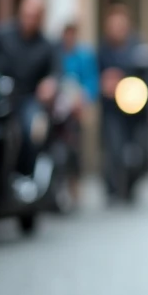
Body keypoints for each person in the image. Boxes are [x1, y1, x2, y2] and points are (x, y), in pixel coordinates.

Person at [0, 0, 60, 176]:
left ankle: (23, 175)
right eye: (27, 14)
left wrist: (50, 84)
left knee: (30, 130)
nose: (29, 19)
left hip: (28, 98)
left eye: (35, 16)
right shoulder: (1, 34)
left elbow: (55, 73)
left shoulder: (47, 46)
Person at [97, 5, 148, 202]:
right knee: (113, 147)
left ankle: (132, 184)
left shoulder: (138, 47)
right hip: (112, 108)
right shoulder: (103, 51)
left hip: (137, 109)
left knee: (142, 146)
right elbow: (95, 76)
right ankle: (113, 187)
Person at [58, 21, 99, 204]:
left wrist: (83, 98)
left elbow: (91, 81)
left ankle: (74, 183)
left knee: (75, 148)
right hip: (57, 111)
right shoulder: (56, 54)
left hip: (75, 111)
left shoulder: (84, 56)